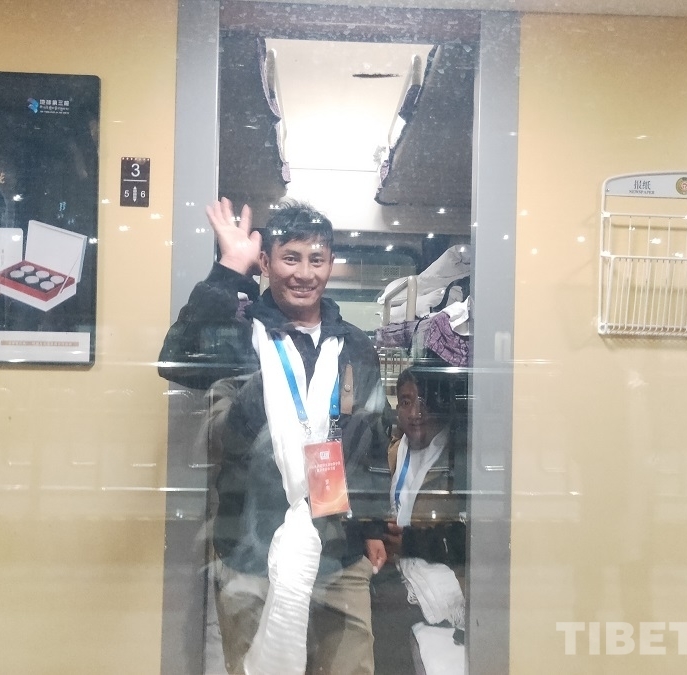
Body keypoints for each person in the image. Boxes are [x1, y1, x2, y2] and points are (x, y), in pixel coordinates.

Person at [158, 197, 389, 675]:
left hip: (339, 547)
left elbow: (372, 440)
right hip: (250, 544)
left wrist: (372, 527)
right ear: (265, 263)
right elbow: (177, 361)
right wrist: (229, 271)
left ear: (330, 264)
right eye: (290, 258)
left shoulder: (354, 345)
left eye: (316, 259)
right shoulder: (240, 334)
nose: (304, 273)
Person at [370, 366, 468, 675]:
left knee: (380, 608)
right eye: (406, 402)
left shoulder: (458, 460)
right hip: (401, 562)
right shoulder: (396, 451)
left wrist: (410, 542)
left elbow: (470, 538)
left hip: (445, 573)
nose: (416, 413)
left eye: (424, 402)